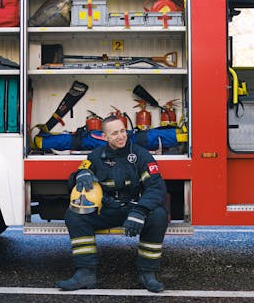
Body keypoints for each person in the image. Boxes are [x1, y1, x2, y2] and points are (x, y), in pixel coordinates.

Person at [56, 115, 169, 292]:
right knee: (74, 215)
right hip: (107, 210)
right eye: (114, 133)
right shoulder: (95, 156)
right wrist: (80, 175)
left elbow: (156, 187)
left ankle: (148, 273)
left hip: (134, 208)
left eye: (123, 131)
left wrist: (140, 211)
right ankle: (85, 273)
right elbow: (74, 179)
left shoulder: (141, 155)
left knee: (159, 216)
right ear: (105, 136)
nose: (121, 136)